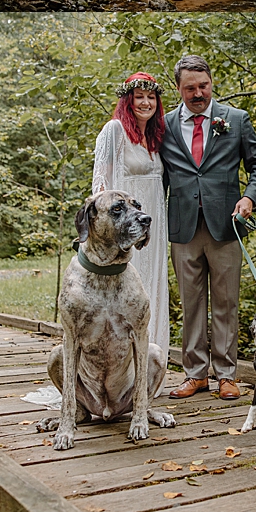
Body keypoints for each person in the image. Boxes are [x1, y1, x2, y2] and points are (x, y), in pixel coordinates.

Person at [159, 54, 256, 400]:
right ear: (178, 88)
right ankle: (194, 374)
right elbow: (156, 176)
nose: (198, 93)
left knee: (226, 302)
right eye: (190, 88)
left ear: (212, 83)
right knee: (191, 304)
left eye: (203, 86)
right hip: (182, 227)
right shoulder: (163, 126)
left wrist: (250, 199)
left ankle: (226, 374)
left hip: (226, 226)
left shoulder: (235, 119)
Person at [90, 72, 170, 356]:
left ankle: (150, 359)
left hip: (153, 224)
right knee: (126, 285)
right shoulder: (114, 131)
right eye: (139, 97)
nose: (146, 103)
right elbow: (100, 185)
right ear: (128, 100)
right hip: (124, 225)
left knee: (150, 286)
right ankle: (118, 364)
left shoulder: (155, 137)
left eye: (151, 97)